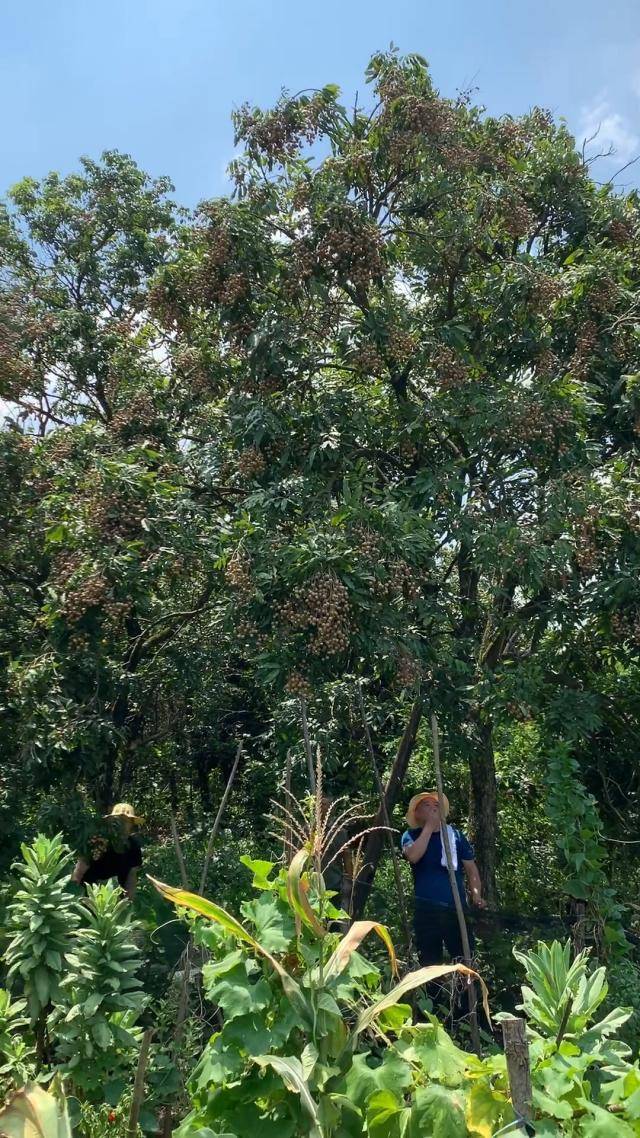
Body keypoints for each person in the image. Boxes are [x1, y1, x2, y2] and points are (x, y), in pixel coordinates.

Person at [401, 791, 485, 1014]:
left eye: (436, 804)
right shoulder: (410, 835)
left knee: (464, 960)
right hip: (426, 910)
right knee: (430, 963)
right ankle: (435, 1014)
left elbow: (471, 869)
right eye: (426, 805)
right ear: (417, 813)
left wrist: (476, 894)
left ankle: (468, 1015)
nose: (432, 808)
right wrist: (429, 828)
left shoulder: (455, 836)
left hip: (456, 910)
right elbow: (413, 856)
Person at [72, 802, 143, 901]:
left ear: (131, 824)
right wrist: (73, 898)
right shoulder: (98, 842)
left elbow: (132, 876)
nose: (121, 824)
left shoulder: (133, 846)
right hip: (89, 897)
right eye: (118, 820)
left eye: (125, 821)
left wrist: (128, 901)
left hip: (116, 898)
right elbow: (79, 872)